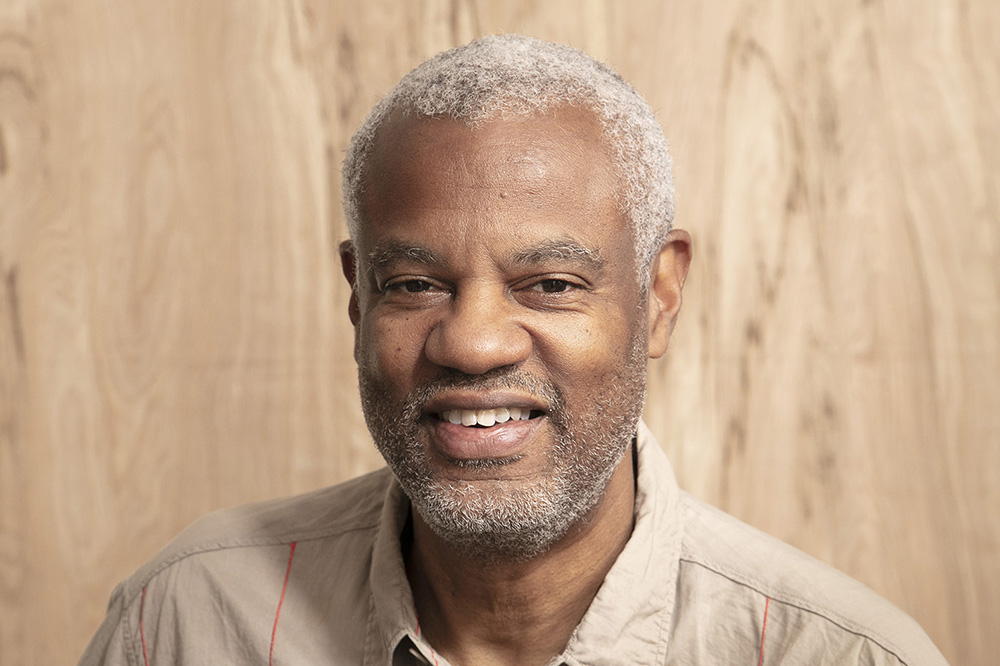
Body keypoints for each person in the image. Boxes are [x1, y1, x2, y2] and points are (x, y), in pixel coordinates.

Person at [79, 34, 949, 666]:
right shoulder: (185, 625)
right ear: (357, 293)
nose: (473, 342)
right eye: (415, 284)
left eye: (552, 285)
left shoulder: (838, 654)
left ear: (660, 294)